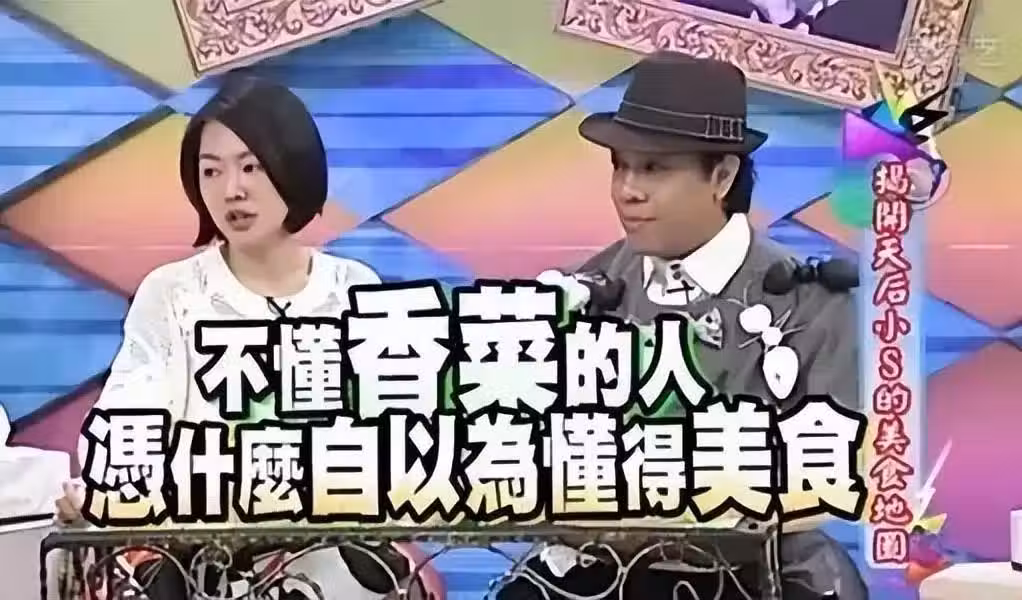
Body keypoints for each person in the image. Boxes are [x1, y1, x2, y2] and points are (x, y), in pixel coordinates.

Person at [498, 52, 866, 600]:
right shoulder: (583, 291)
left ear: (722, 176)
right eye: (620, 166)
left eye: (654, 169)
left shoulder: (812, 303)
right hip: (602, 568)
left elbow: (831, 470)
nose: (628, 190)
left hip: (757, 570)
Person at [52, 77, 429, 600]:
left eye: (251, 167)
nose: (231, 190)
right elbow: (127, 421)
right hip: (209, 559)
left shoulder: (353, 288)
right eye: (211, 171)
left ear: (293, 166)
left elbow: (398, 439)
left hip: (332, 552)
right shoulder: (173, 294)